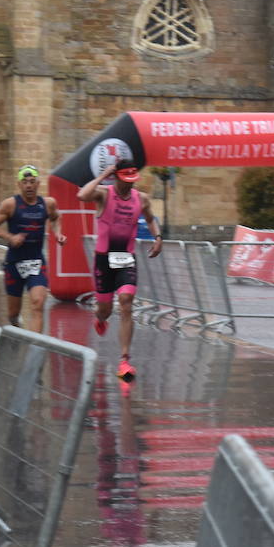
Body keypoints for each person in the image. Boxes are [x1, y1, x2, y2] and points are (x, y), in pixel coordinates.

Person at [77, 159, 162, 382]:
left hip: (126, 259)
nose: (129, 185)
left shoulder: (140, 199)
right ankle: (100, 317)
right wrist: (102, 176)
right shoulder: (104, 194)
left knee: (126, 302)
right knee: (104, 309)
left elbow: (151, 220)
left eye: (132, 181)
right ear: (116, 178)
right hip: (104, 260)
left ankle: (125, 359)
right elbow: (82, 195)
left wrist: (158, 237)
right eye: (125, 180)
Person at [0, 166, 64, 330]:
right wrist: (10, 237)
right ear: (19, 184)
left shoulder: (48, 203)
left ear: (38, 184)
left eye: (31, 182)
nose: (28, 185)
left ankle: (34, 348)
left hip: (36, 261)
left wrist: (57, 233)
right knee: (13, 313)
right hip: (14, 263)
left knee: (38, 303)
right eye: (24, 182)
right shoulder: (10, 204)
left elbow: (56, 218)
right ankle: (16, 326)